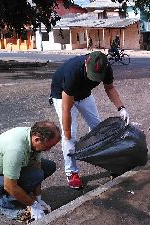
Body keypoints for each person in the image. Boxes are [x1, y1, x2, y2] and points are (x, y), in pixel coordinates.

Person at [50, 50, 130, 189]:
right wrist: (68, 135)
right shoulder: (73, 71)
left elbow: (110, 88)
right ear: (86, 62)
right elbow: (66, 109)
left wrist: (121, 108)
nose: (94, 79)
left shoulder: (106, 67)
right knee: (70, 134)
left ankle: (108, 162)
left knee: (98, 128)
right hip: (62, 96)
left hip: (85, 95)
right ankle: (72, 172)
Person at [0, 121, 61, 221]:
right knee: (35, 176)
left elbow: (37, 166)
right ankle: (4, 205)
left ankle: (20, 195)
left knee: (48, 167)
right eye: (47, 146)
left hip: (8, 168)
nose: (49, 149)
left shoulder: (32, 136)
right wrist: (33, 205)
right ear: (37, 139)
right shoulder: (16, 150)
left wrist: (38, 198)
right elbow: (9, 185)